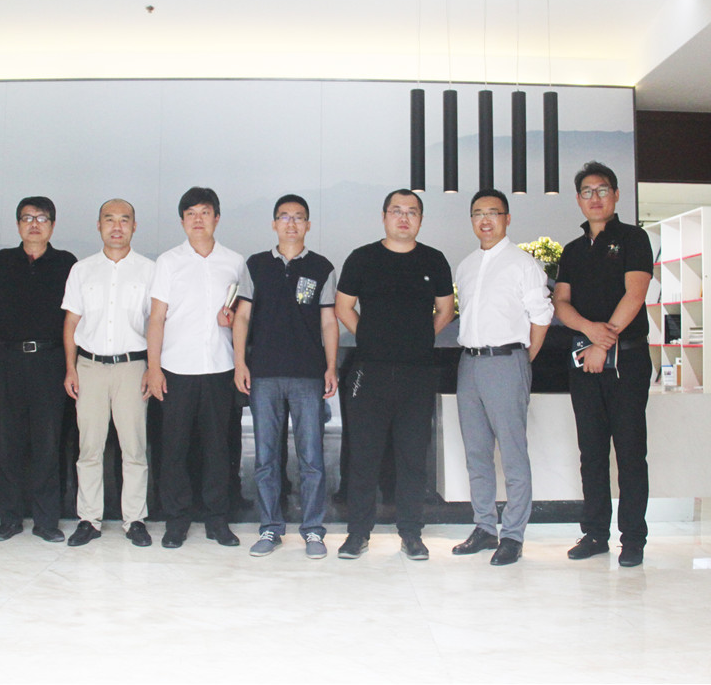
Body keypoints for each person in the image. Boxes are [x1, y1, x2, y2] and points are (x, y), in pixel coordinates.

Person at [333, 189, 455, 560]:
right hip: (369, 371)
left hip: (418, 373)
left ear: (420, 219)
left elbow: (446, 310)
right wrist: (370, 336)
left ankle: (411, 534)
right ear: (384, 216)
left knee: (413, 458)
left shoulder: (434, 260)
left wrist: (419, 338)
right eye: (397, 211)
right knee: (364, 457)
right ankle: (358, 534)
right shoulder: (363, 258)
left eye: (412, 212)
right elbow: (343, 306)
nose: (404, 218)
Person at [552, 161, 653, 568]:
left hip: (627, 360)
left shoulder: (633, 238)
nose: (595, 198)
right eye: (587, 192)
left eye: (602, 190)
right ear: (578, 200)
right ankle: (595, 533)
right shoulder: (573, 250)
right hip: (584, 359)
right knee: (591, 452)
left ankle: (634, 539)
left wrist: (603, 341)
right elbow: (561, 302)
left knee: (630, 452)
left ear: (616, 195)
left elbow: (635, 294)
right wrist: (590, 332)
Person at [233, 194, 339, 559]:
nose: (291, 223)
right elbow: (242, 316)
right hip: (264, 374)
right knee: (266, 458)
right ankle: (270, 527)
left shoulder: (322, 267)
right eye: (284, 217)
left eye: (298, 217)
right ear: (274, 224)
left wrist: (330, 366)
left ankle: (313, 531)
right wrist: (240, 363)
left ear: (308, 225)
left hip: (308, 374)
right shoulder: (256, 265)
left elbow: (329, 321)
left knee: (312, 458)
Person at [451, 189, 554, 565]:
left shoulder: (523, 264)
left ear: (507, 218)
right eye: (478, 213)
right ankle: (484, 527)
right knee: (476, 452)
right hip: (469, 364)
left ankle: (512, 534)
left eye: (493, 212)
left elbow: (541, 316)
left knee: (512, 453)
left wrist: (523, 359)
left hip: (507, 361)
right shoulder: (465, 266)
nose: (485, 220)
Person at [146, 187, 246, 549]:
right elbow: (157, 318)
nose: (198, 219)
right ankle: (177, 520)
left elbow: (243, 317)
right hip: (176, 369)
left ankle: (217, 519)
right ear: (182, 221)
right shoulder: (168, 262)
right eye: (191, 214)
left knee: (219, 449)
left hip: (219, 368)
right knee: (174, 449)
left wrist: (231, 321)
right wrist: (153, 368)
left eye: (205, 212)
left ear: (217, 218)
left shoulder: (235, 262)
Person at [0, 197, 77, 543]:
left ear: (53, 224)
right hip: (7, 360)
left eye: (41, 218)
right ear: (18, 224)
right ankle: (9, 519)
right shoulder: (1, 261)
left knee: (48, 443)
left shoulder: (66, 263)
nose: (34, 224)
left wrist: (70, 366)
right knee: (8, 443)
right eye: (27, 218)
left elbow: (73, 319)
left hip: (50, 361)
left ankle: (46, 521)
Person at [61, 199, 155, 548]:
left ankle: (135, 520)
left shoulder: (149, 270)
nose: (117, 226)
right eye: (109, 220)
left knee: (134, 448)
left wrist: (153, 368)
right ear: (99, 225)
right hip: (89, 367)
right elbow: (71, 323)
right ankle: (89, 519)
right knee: (89, 448)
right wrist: (70, 368)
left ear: (134, 226)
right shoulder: (82, 270)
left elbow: (157, 324)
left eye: (124, 220)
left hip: (133, 367)